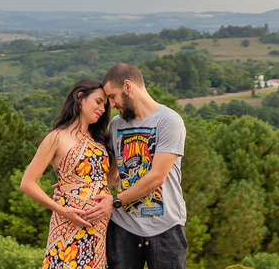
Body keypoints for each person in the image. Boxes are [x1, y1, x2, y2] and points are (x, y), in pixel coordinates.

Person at [82, 63, 187, 269]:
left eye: (112, 97)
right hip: (124, 228)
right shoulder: (116, 124)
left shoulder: (169, 121)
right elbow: (111, 176)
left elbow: (157, 176)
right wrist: (71, 187)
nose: (111, 105)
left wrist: (115, 201)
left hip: (166, 228)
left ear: (128, 87)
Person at [21, 79, 113, 269]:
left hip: (99, 230)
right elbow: (27, 183)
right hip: (68, 225)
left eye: (105, 105)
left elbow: (109, 179)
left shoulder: (100, 140)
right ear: (80, 97)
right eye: (98, 102)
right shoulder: (56, 137)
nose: (102, 109)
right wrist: (62, 210)